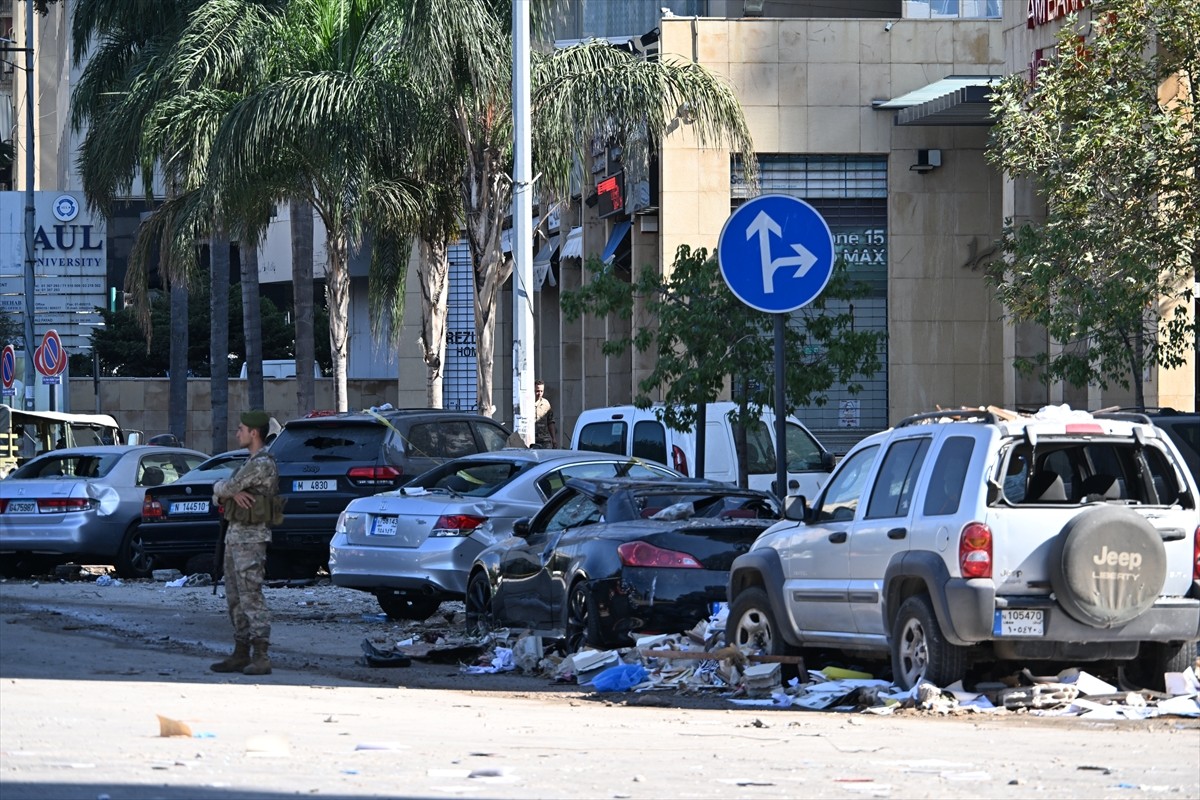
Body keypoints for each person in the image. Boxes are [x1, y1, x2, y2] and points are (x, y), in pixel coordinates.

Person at [209, 409, 279, 676]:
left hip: (251, 538)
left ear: (254, 433)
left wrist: (228, 490)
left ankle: (261, 656)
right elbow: (224, 492)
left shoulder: (262, 463)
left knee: (251, 596)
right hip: (235, 535)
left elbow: (225, 488)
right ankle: (240, 653)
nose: (237, 433)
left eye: (241, 429)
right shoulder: (249, 463)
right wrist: (228, 491)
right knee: (235, 598)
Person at [533, 379, 557, 448]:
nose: (539, 393)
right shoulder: (528, 403)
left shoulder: (546, 404)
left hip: (545, 440)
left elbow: (551, 422)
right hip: (532, 441)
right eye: (537, 391)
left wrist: (554, 439)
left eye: (541, 391)